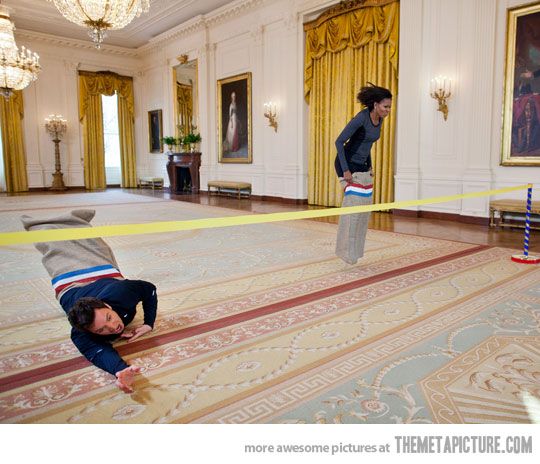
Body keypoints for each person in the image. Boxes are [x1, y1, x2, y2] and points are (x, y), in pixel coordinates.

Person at [21, 209, 158, 393]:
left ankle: (71, 220)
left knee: (88, 245)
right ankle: (45, 223)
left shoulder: (123, 291)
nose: (113, 327)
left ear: (107, 306)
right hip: (71, 286)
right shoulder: (80, 333)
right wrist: (119, 369)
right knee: (59, 248)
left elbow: (149, 290)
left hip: (97, 277)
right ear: (90, 331)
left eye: (109, 317)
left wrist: (149, 323)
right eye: (101, 330)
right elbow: (97, 352)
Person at [334, 83, 392, 265]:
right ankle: (344, 252)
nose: (388, 110)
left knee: (363, 212)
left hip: (362, 167)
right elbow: (339, 142)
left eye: (390, 107)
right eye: (385, 106)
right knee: (352, 211)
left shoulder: (380, 119)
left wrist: (370, 166)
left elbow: (368, 145)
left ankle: (354, 253)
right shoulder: (361, 118)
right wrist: (346, 171)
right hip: (347, 165)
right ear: (375, 104)